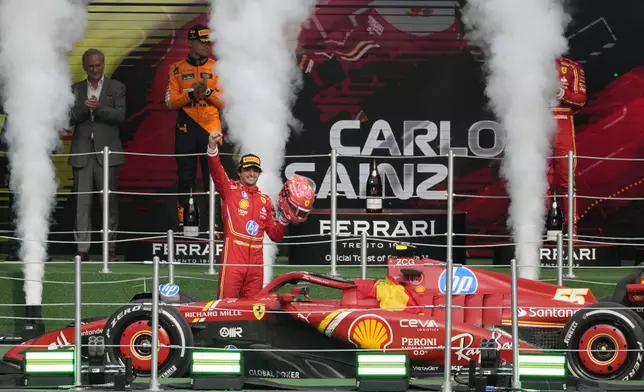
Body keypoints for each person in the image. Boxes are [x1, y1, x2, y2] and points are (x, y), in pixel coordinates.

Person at [206, 130, 292, 299]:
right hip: (234, 260)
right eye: (247, 170)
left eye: (255, 170)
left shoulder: (265, 200)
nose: (252, 173)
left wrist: (284, 219)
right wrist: (212, 147)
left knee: (252, 310)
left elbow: (275, 236)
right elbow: (216, 171)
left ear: (259, 173)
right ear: (239, 171)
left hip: (256, 265)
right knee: (226, 306)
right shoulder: (229, 190)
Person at [165, 23, 224, 230]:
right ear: (191, 43)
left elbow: (226, 102)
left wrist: (207, 93)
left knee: (214, 178)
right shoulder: (176, 68)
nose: (207, 45)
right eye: (202, 42)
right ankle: (185, 224)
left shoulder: (217, 68)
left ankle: (214, 224)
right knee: (185, 176)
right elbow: (170, 102)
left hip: (211, 129)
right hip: (186, 128)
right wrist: (190, 94)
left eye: (209, 41)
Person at [69, 48, 126, 261]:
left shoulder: (117, 87)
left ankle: (109, 249)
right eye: (91, 66)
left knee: (109, 204)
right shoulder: (75, 89)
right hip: (82, 153)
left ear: (103, 64)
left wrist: (99, 108)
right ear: (85, 67)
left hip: (108, 153)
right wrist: (86, 109)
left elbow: (120, 115)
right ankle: (82, 250)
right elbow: (68, 117)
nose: (95, 70)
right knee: (81, 204)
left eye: (98, 65)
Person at [549, 56, 587, 235]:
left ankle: (572, 229)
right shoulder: (528, 62)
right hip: (535, 121)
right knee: (539, 180)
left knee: (566, 178)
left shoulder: (572, 67)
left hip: (563, 121)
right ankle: (537, 229)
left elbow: (581, 99)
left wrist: (560, 93)